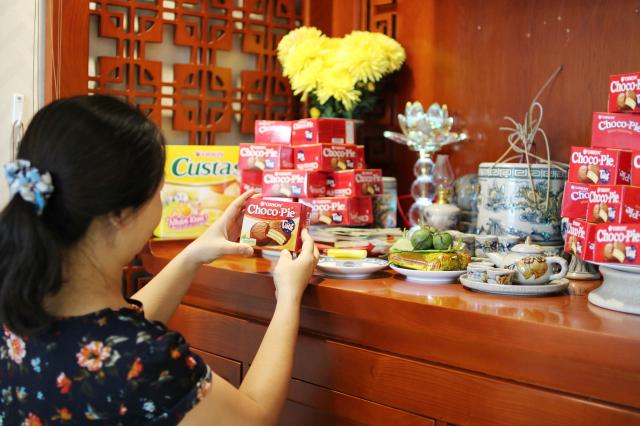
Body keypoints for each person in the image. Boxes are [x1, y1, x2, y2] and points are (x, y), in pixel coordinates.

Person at [0, 95, 319, 425]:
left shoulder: (17, 309)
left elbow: (114, 328)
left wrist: (193, 255)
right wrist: (288, 297)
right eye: (158, 191)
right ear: (120, 214)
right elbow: (255, 418)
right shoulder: (145, 361)